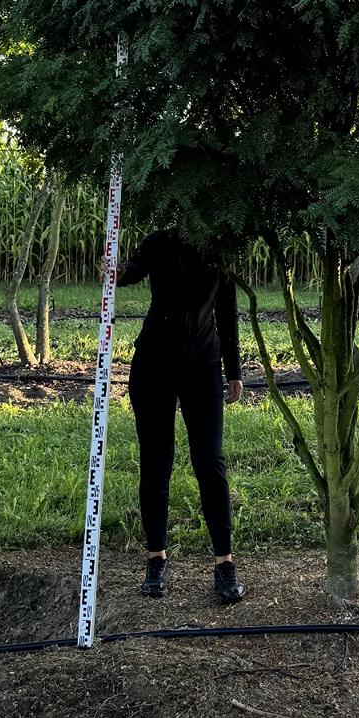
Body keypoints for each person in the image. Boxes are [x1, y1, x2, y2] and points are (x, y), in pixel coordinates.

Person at [116, 228, 245, 603]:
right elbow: (134, 270)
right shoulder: (160, 241)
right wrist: (117, 271)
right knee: (156, 462)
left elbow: (227, 313)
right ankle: (156, 560)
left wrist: (233, 370)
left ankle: (225, 564)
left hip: (202, 367)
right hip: (154, 366)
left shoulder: (221, 248)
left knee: (210, 462)